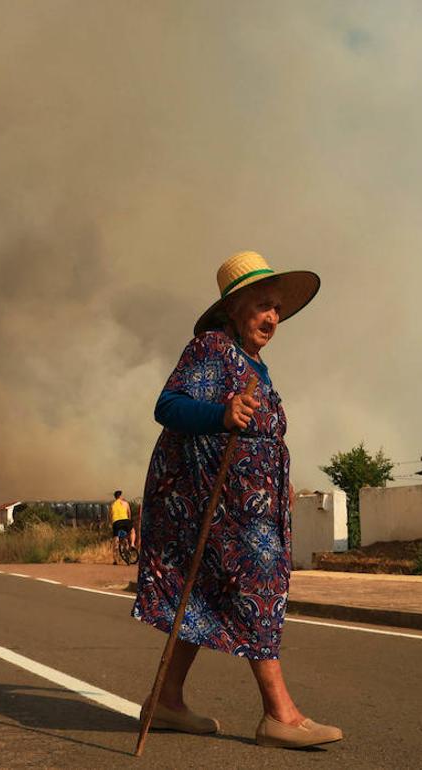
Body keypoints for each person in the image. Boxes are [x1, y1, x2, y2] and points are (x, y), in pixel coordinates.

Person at [132, 251, 342, 749]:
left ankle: (165, 700)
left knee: (203, 596)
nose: (272, 317)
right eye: (262, 305)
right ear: (233, 309)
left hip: (248, 506)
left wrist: (277, 478)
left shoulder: (258, 367)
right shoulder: (210, 348)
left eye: (277, 309)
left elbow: (260, 436)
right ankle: (280, 715)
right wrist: (222, 414)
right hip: (210, 503)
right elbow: (169, 406)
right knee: (257, 588)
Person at [110, 490, 134, 564]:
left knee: (115, 541)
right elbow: (129, 513)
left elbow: (110, 516)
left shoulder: (112, 505)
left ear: (115, 497)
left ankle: (115, 560)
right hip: (126, 521)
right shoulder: (125, 503)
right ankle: (132, 544)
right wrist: (129, 523)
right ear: (120, 496)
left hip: (116, 522)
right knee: (132, 531)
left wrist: (112, 525)